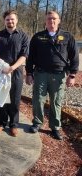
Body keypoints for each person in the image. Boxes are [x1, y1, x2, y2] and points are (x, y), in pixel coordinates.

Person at [25, 11, 79, 140]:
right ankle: (37, 123)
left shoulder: (67, 36)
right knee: (38, 99)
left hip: (59, 75)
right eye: (49, 19)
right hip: (41, 74)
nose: (52, 21)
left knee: (56, 102)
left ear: (59, 20)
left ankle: (55, 128)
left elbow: (74, 57)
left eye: (54, 19)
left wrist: (72, 75)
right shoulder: (38, 37)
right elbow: (30, 57)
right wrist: (29, 73)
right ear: (45, 21)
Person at [0, 10, 29, 137]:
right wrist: (1, 67)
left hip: (16, 72)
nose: (10, 21)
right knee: (1, 97)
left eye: (12, 19)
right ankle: (1, 123)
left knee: (15, 98)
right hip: (1, 71)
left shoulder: (23, 36)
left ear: (16, 20)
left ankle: (13, 124)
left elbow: (24, 56)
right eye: (7, 19)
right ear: (4, 21)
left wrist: (12, 67)